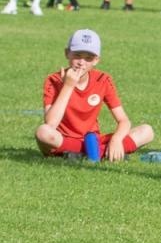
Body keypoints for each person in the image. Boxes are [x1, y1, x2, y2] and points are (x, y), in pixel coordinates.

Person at [35, 29, 154, 159]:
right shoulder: (53, 79)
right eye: (77, 55)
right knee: (43, 132)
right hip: (64, 139)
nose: (81, 62)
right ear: (67, 53)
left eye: (88, 58)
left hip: (92, 139)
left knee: (147, 131)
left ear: (96, 60)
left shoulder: (102, 79)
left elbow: (123, 120)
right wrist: (68, 86)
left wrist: (116, 140)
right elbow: (51, 123)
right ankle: (99, 153)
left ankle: (84, 153)